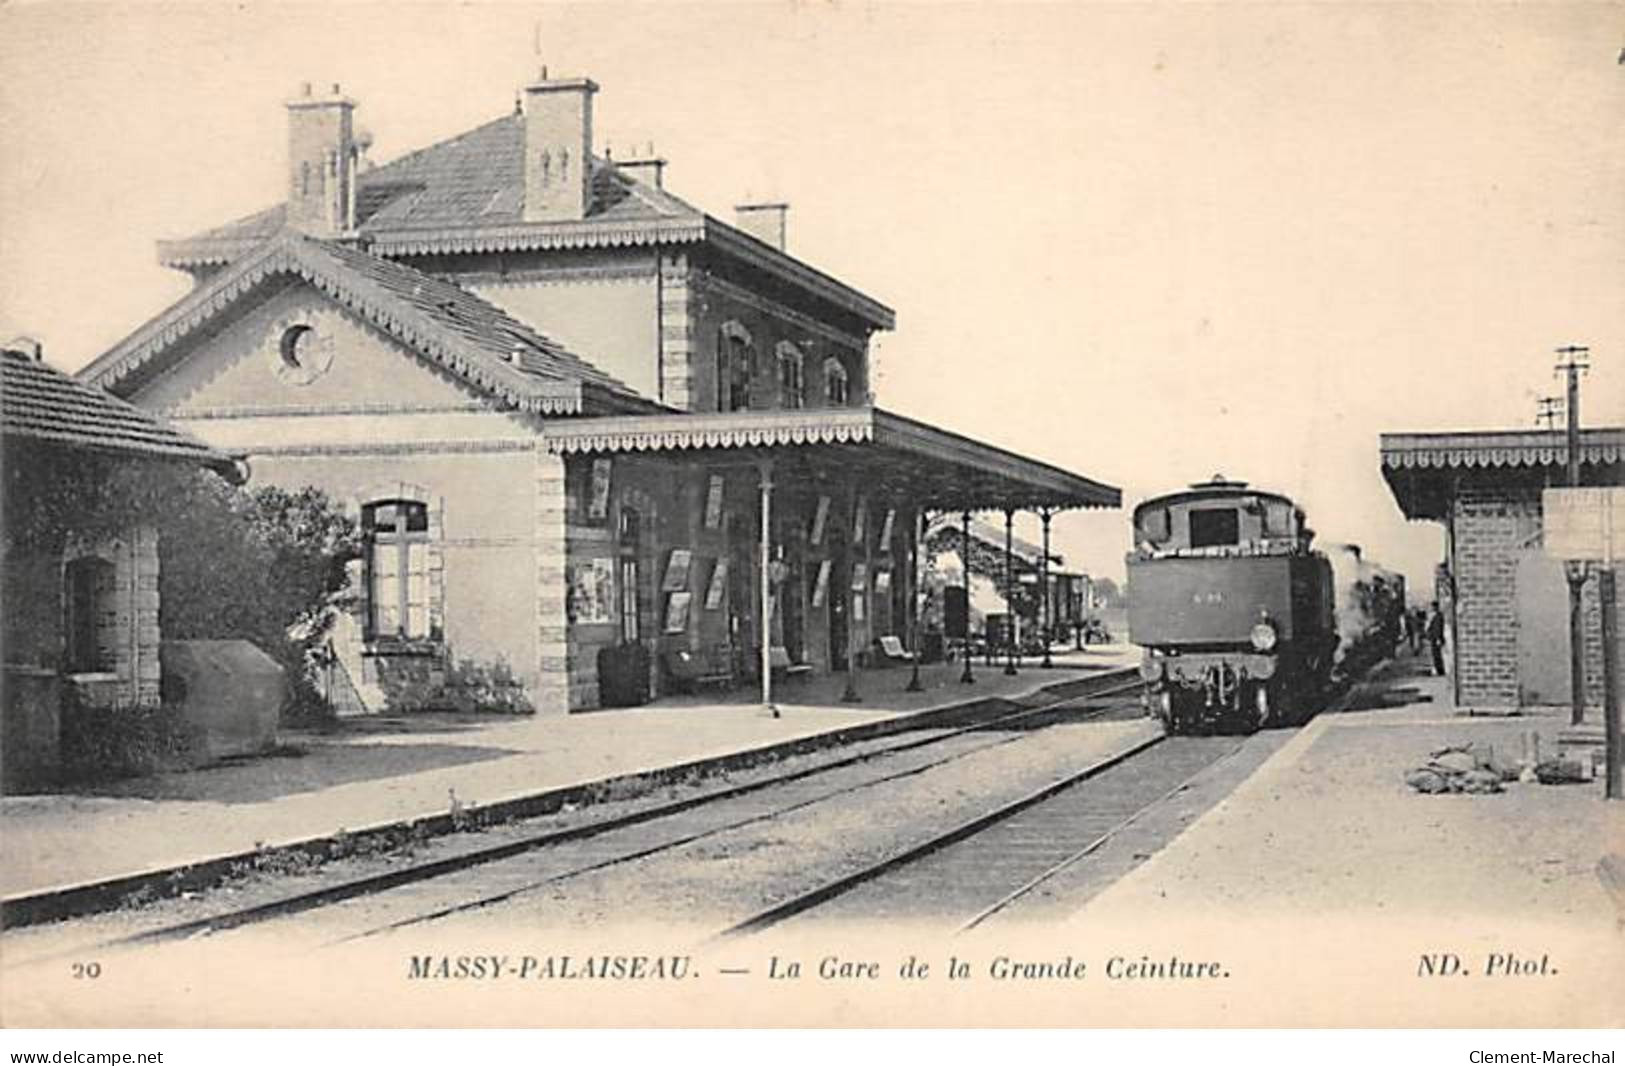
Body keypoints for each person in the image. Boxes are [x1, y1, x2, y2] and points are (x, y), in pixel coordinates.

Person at [1424, 602, 1446, 676]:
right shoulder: (1436, 615)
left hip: (1436, 638)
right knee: (1435, 654)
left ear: (1434, 607)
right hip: (1434, 638)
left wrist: (1438, 638)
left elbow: (1438, 628)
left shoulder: (1437, 616)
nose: (1430, 608)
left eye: (1431, 607)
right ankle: (1438, 669)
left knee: (1437, 655)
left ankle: (1439, 670)